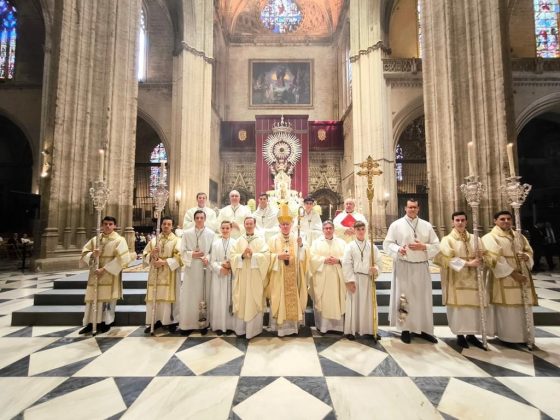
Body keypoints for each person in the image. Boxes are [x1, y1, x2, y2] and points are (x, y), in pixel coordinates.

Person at [433, 211, 494, 348]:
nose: (460, 223)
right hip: (456, 280)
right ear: (452, 222)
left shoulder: (476, 239)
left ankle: (471, 335)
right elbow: (443, 258)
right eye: (457, 220)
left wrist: (482, 258)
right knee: (459, 309)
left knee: (473, 309)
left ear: (466, 222)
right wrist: (468, 264)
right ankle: (460, 335)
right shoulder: (447, 240)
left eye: (462, 220)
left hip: (474, 280)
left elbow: (488, 257)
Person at [383, 198, 440, 344]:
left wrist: (424, 247)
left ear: (418, 208)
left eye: (414, 207)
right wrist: (398, 249)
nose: (412, 210)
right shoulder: (396, 225)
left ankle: (424, 329)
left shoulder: (426, 226)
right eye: (409, 207)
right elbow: (387, 243)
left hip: (421, 266)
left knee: (423, 298)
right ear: (405, 208)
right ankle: (405, 329)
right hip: (404, 266)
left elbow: (436, 245)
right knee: (404, 298)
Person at [482, 210, 537, 344]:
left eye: (508, 219)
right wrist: (513, 274)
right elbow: (494, 259)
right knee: (507, 310)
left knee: (523, 307)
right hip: (504, 277)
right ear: (495, 221)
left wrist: (527, 257)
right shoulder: (490, 237)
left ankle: (525, 336)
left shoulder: (519, 236)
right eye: (502, 219)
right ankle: (508, 337)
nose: (506, 221)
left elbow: (529, 250)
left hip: (522, 277)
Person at [79, 216, 131, 334]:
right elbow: (84, 252)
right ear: (102, 225)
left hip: (110, 274)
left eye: (110, 224)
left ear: (115, 226)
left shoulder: (119, 240)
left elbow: (123, 259)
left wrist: (105, 269)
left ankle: (106, 322)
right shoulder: (95, 240)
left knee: (107, 300)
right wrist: (93, 254)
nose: (108, 226)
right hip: (95, 274)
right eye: (105, 224)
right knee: (92, 299)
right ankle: (90, 322)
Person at [267, 204, 308, 336]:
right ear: (279, 226)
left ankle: (292, 327)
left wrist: (301, 245)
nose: (285, 226)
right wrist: (277, 257)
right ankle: (279, 327)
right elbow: (266, 257)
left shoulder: (297, 239)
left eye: (287, 224)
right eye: (283, 224)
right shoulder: (273, 240)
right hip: (279, 277)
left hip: (293, 277)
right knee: (279, 299)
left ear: (291, 225)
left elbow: (304, 256)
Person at [230, 216, 270, 339]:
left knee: (254, 298)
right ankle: (241, 330)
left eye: (251, 223)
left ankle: (254, 330)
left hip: (255, 276)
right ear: (244, 225)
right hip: (242, 276)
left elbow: (266, 255)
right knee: (242, 299)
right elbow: (232, 256)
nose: (248, 225)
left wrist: (253, 255)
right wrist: (241, 256)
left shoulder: (260, 240)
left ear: (254, 224)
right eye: (246, 224)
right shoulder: (239, 240)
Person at [142, 216, 182, 334]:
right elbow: (145, 254)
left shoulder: (177, 240)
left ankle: (170, 322)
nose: (166, 226)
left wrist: (163, 262)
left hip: (170, 273)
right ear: (161, 225)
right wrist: (151, 256)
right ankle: (155, 320)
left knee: (168, 298)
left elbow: (180, 257)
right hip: (155, 273)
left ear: (172, 226)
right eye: (164, 224)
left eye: (169, 224)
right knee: (155, 297)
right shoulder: (154, 241)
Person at [342, 221, 380, 340]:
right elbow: (346, 263)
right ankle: (351, 330)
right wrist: (350, 281)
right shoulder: (350, 246)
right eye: (358, 229)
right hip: (355, 278)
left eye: (363, 229)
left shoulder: (372, 246)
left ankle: (370, 329)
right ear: (354, 231)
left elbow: (378, 261)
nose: (361, 231)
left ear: (366, 230)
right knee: (354, 305)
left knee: (369, 305)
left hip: (368, 279)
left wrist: (376, 269)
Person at [179, 210, 215, 335]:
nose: (199, 220)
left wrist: (208, 258)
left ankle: (203, 324)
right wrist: (192, 254)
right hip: (191, 269)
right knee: (189, 295)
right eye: (197, 218)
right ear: (194, 219)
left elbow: (212, 251)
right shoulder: (187, 233)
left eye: (201, 217)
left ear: (205, 219)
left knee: (203, 295)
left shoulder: (211, 233)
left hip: (204, 269)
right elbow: (182, 251)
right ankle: (187, 324)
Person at [309, 220, 347, 333]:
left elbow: (348, 258)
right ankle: (323, 327)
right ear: (322, 230)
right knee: (324, 302)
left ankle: (338, 327)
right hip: (322, 277)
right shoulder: (316, 243)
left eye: (330, 228)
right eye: (326, 228)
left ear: (334, 230)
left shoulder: (341, 242)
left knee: (337, 300)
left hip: (337, 277)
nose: (328, 230)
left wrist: (338, 260)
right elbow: (311, 258)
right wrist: (323, 260)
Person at [209, 221, 245, 336]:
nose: (225, 230)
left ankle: (230, 326)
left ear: (231, 230)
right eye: (223, 228)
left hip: (231, 276)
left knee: (230, 299)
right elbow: (212, 261)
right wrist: (220, 268)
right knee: (219, 299)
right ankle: (219, 325)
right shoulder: (215, 244)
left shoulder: (235, 243)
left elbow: (238, 258)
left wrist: (230, 266)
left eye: (227, 228)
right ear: (220, 229)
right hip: (219, 276)